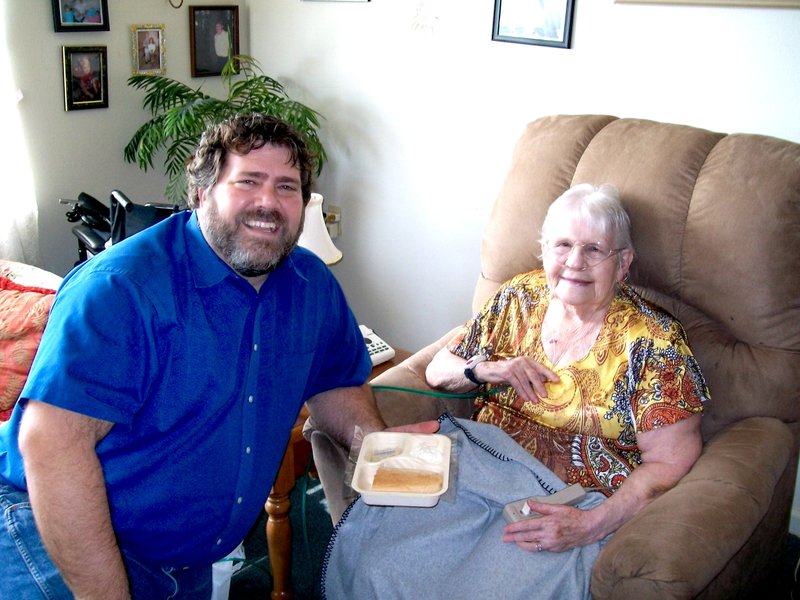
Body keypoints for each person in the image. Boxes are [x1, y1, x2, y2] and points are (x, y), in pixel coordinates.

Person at [0, 114, 411, 600]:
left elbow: (335, 383)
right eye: (248, 182)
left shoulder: (311, 285)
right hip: (56, 533)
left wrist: (381, 451)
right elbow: (51, 446)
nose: (268, 203)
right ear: (202, 192)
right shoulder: (121, 288)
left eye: (287, 187)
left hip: (190, 558)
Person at [322, 183, 708, 598]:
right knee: (378, 562)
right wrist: (490, 370)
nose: (575, 262)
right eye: (562, 245)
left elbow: (671, 461)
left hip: (565, 501)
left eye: (595, 249)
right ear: (543, 249)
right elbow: (438, 370)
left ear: (623, 263)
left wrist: (589, 526)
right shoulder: (519, 296)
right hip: (477, 466)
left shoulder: (654, 342)